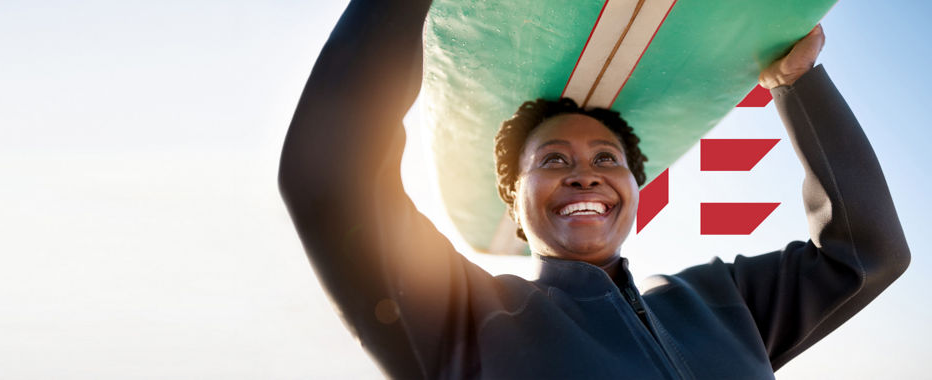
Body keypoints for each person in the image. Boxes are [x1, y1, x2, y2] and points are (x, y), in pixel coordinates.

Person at [278, 0, 910, 379]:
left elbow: (867, 255)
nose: (584, 173)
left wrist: (798, 85)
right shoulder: (464, 319)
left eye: (607, 158)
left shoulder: (723, 302)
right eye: (553, 160)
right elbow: (328, 178)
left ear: (634, 189)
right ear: (514, 202)